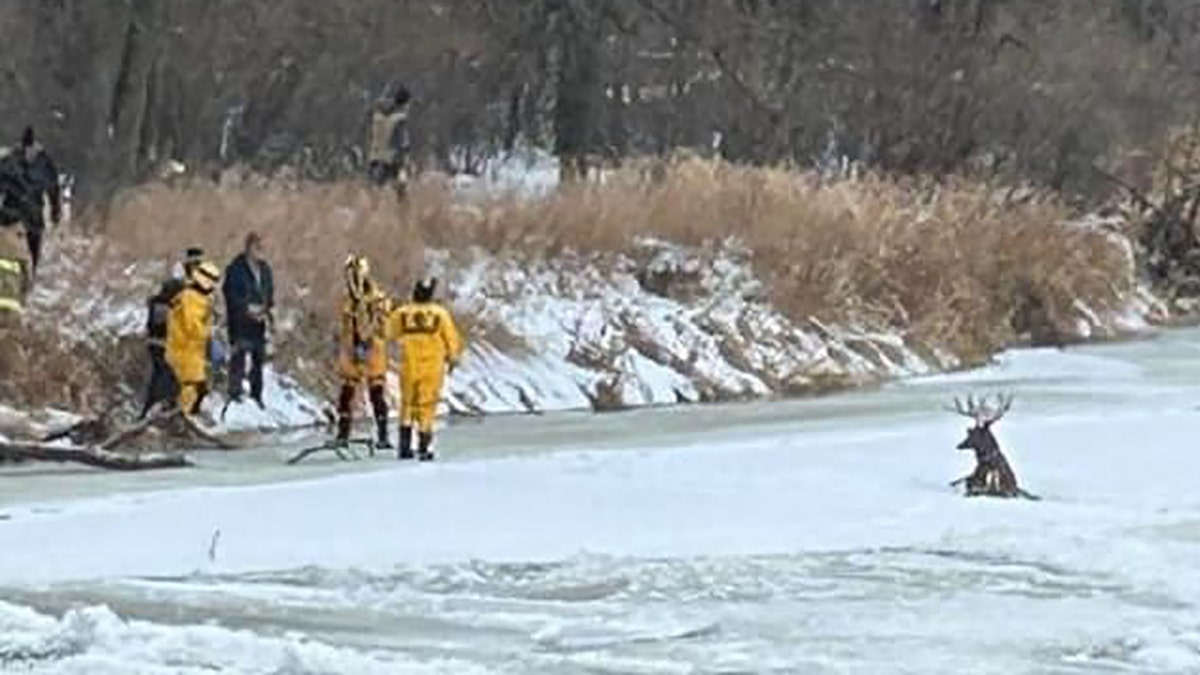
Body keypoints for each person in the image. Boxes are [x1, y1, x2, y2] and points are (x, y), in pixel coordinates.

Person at [386, 276, 462, 461]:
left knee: (407, 404)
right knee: (427, 406)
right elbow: (451, 339)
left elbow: (388, 333)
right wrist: (453, 359)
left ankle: (404, 447)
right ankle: (424, 447)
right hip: (432, 367)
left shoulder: (402, 313)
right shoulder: (440, 314)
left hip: (409, 365)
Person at [335, 255, 393, 449]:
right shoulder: (348, 300)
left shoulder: (377, 299)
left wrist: (369, 338)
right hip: (352, 349)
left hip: (372, 349)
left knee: (376, 392)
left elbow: (385, 324)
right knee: (347, 394)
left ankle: (383, 434)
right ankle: (343, 434)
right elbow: (344, 324)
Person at [140, 247, 204, 418]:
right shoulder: (175, 299)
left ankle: (152, 412)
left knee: (161, 378)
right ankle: (160, 413)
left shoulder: (161, 301)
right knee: (169, 378)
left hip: (158, 344)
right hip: (165, 345)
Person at [0, 127, 62, 273]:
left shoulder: (44, 162)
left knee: (31, 253)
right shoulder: (11, 161)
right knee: (9, 250)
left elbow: (53, 189)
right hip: (11, 214)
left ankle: (27, 278)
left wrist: (55, 211)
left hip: (30, 215)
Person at [222, 232, 274, 408]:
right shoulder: (235, 268)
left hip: (259, 323)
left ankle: (256, 395)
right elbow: (230, 294)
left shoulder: (265, 269)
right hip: (240, 322)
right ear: (249, 247)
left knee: (258, 359)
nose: (260, 251)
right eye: (257, 247)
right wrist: (246, 309)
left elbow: (269, 292)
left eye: (262, 247)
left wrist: (265, 309)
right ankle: (234, 394)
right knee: (239, 356)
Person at [167, 260, 222, 416]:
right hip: (184, 349)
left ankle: (186, 414)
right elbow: (192, 325)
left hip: (191, 350)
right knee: (193, 386)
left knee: (198, 387)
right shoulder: (190, 297)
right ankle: (183, 414)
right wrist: (208, 334)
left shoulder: (196, 297)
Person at [366, 82, 411, 198]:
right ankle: (402, 214)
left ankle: (370, 214)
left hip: (375, 156)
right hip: (392, 160)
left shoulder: (378, 115)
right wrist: (403, 158)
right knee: (401, 193)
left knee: (374, 192)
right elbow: (401, 142)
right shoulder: (399, 119)